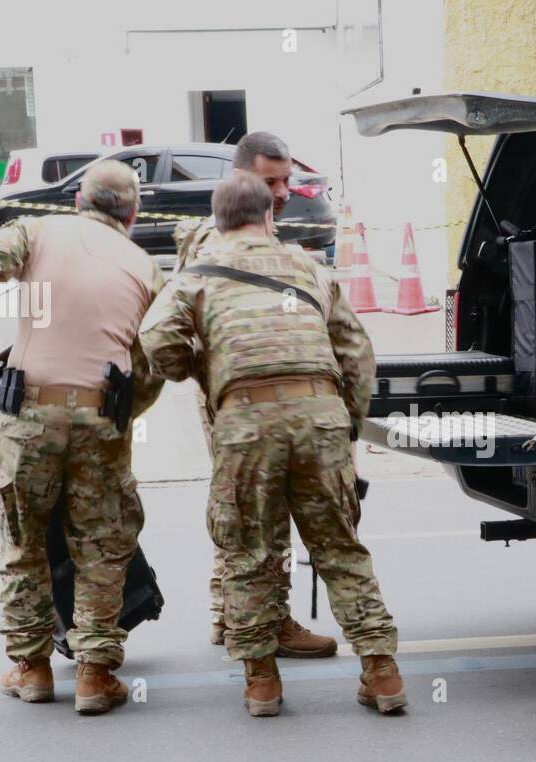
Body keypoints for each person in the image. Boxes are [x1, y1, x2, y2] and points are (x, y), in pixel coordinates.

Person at [141, 172, 406, 717]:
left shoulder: (196, 274)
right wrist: (346, 421)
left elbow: (156, 336)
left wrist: (203, 370)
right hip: (321, 414)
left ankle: (262, 682)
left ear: (218, 220)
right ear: (269, 217)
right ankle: (381, 673)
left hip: (246, 421)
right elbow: (357, 353)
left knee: (248, 551)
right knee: (340, 546)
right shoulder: (310, 266)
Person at [0, 160, 164, 715]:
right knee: (101, 546)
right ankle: (93, 676)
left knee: (23, 541)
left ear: (76, 203)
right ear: (132, 215)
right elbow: (155, 362)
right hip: (99, 421)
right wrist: (120, 414)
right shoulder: (143, 266)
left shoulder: (34, 231)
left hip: (30, 413)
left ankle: (32, 668)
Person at [173, 131, 336, 658]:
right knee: (264, 507)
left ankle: (229, 614)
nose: (284, 191)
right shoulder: (222, 238)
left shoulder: (217, 232)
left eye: (288, 179)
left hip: (233, 392)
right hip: (241, 394)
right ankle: (271, 621)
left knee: (238, 505)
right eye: (272, 181)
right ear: (240, 181)